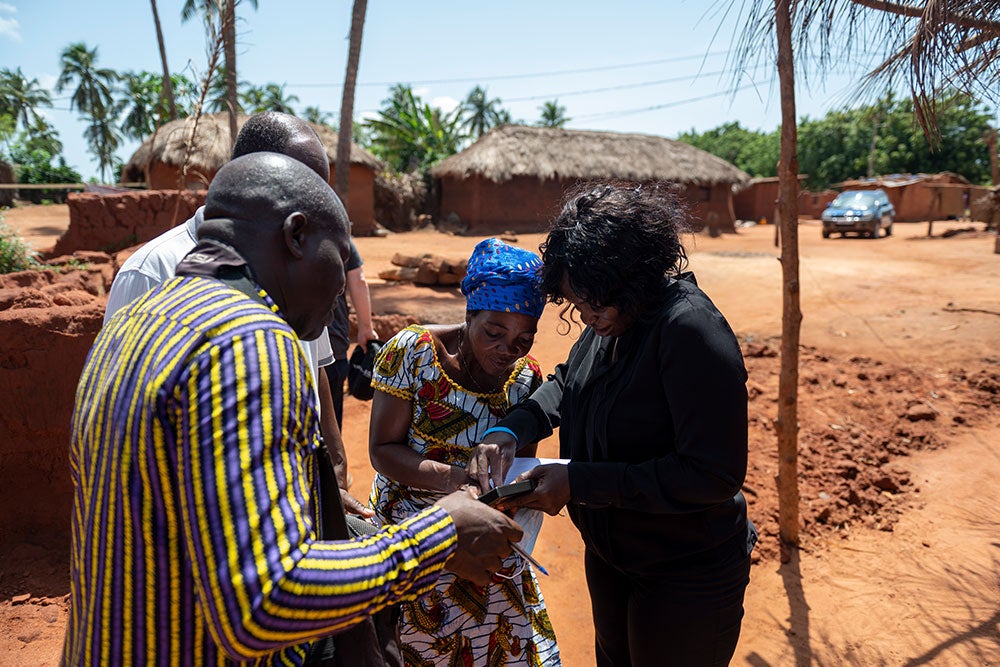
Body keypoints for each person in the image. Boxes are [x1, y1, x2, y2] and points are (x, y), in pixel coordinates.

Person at [63, 153, 523, 666]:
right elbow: (263, 601)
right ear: (296, 235)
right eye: (342, 257)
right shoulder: (248, 339)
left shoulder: (138, 321)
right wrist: (437, 537)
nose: (340, 297)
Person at [487, 183, 758, 667]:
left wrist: (580, 482)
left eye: (596, 301)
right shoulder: (610, 326)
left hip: (684, 571)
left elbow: (712, 473)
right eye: (577, 303)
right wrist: (517, 425)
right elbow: (570, 381)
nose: (589, 315)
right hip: (614, 557)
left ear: (632, 276)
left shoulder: (689, 332)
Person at [104, 111, 356, 499]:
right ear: (296, 231)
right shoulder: (154, 275)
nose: (320, 199)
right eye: (306, 184)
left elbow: (316, 367)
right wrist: (435, 535)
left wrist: (331, 468)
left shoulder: (292, 285)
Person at [367, 238, 561, 666]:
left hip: (485, 539)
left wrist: (519, 497)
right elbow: (383, 450)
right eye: (494, 333)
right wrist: (458, 481)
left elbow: (518, 472)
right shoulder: (414, 353)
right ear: (470, 313)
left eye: (522, 339)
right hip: (413, 536)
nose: (507, 350)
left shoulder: (526, 380)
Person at [324, 238, 377, 429]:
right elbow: (358, 280)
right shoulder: (335, 230)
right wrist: (365, 328)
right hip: (331, 344)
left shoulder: (273, 225)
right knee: (330, 425)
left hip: (285, 344)